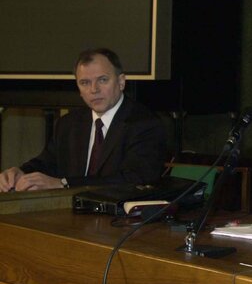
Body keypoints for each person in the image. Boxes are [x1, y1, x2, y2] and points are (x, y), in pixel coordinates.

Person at [0, 48, 167, 192]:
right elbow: (47, 163)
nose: (94, 90)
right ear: (78, 89)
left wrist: (64, 184)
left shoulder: (145, 124)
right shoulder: (69, 124)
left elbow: (134, 180)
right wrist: (20, 172)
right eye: (85, 83)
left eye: (102, 80)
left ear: (121, 82)